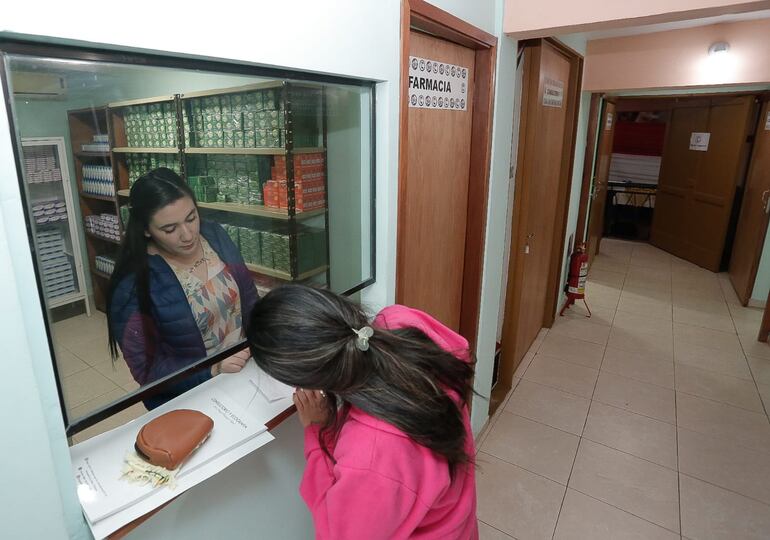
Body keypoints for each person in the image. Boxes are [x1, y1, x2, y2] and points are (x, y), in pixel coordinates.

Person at [245, 285, 478, 540]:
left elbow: (339, 533)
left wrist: (318, 430)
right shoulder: (400, 321)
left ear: (302, 378)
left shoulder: (372, 455)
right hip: (458, 521)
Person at [107, 167, 257, 409]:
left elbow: (249, 299)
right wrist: (213, 369)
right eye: (170, 229)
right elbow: (148, 371)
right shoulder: (132, 286)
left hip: (245, 376)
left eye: (191, 218)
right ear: (146, 230)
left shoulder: (214, 235)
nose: (188, 235)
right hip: (194, 399)